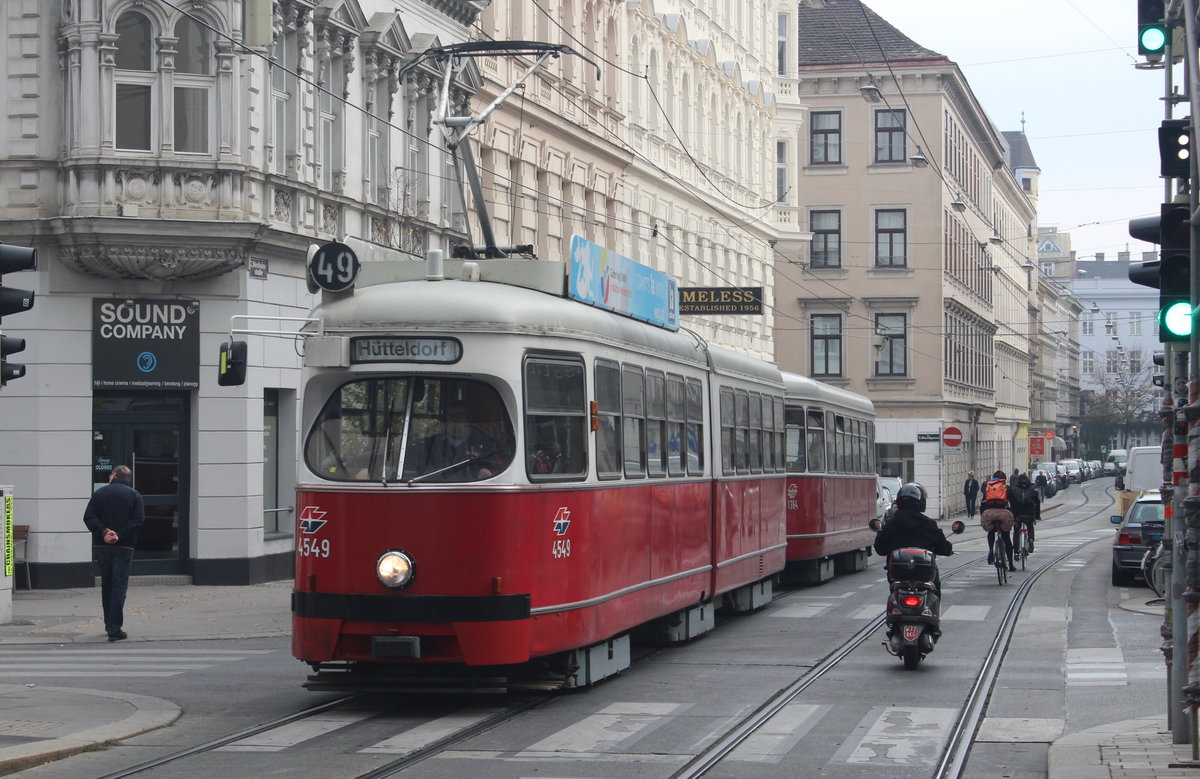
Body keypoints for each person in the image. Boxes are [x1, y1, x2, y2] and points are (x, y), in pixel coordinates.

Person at [83, 465, 144, 642]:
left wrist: (104, 532)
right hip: (124, 547)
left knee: (107, 585)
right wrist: (120, 534)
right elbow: (138, 520)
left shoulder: (100, 494)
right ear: (127, 479)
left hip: (103, 547)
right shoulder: (134, 495)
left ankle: (108, 623)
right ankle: (114, 628)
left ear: (114, 475)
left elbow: (89, 517)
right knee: (119, 587)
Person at [873, 483, 954, 597]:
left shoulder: (892, 523)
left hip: (898, 575)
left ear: (899, 502)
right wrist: (947, 549)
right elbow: (944, 547)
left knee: (894, 592)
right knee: (935, 590)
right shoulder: (928, 523)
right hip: (924, 574)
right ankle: (933, 611)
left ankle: (895, 608)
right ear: (921, 502)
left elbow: (880, 548)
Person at [411, 402, 504, 481]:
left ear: (469, 418)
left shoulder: (485, 441)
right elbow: (419, 469)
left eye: (460, 415)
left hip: (472, 489)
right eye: (452, 415)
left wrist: (487, 471)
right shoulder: (431, 443)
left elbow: (496, 466)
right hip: (438, 489)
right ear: (446, 419)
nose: (456, 419)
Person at [981, 469, 1015, 571]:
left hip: (990, 514)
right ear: (1004, 479)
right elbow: (1014, 503)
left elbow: (983, 503)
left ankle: (991, 550)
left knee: (991, 531)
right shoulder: (1007, 488)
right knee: (1007, 538)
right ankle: (1011, 564)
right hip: (1003, 514)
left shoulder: (989, 487)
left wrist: (983, 515)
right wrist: (1014, 515)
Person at [1009, 473, 1041, 552]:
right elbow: (1037, 502)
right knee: (1030, 527)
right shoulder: (1032, 490)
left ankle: (1016, 551)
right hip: (1029, 514)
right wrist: (1037, 515)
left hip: (1018, 514)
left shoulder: (1015, 490)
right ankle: (1030, 539)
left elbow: (1011, 502)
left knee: (1016, 531)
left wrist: (1012, 514)